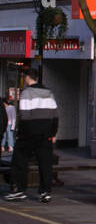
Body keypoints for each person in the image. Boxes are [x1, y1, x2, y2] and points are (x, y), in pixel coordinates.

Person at [5, 68, 58, 203]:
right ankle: (45, 192)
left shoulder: (26, 93)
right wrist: (53, 133)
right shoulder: (49, 93)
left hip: (29, 134)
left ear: (28, 78)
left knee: (19, 160)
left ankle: (19, 190)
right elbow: (55, 115)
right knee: (45, 164)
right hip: (45, 134)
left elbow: (24, 116)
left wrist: (20, 134)